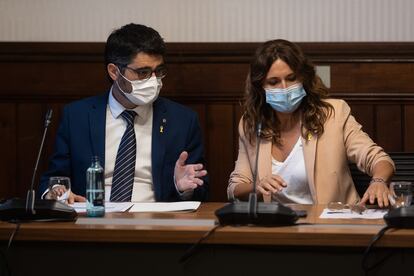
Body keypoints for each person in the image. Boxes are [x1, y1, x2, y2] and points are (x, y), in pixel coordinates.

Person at [38, 23, 208, 203]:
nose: (153, 81)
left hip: (156, 223)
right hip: (92, 219)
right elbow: (53, 179)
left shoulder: (182, 120)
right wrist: (57, 192)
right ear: (114, 71)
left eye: (158, 71)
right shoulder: (77, 116)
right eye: (143, 72)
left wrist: (183, 188)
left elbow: (202, 190)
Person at [227, 39, 394, 207]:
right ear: (260, 87)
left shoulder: (333, 114)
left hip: (332, 222)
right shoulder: (252, 124)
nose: (284, 88)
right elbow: (235, 187)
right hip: (277, 224)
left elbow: (379, 160)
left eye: (291, 78)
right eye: (273, 82)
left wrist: (378, 181)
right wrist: (255, 186)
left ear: (303, 78)